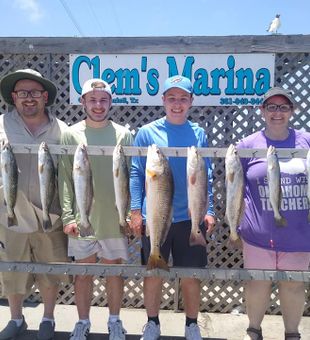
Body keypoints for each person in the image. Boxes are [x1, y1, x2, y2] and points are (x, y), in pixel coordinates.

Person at [129, 75, 215, 340]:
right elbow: (135, 173)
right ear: (163, 100)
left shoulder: (199, 133)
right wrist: (134, 211)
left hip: (190, 217)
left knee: (191, 276)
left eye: (183, 99)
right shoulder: (146, 132)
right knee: (153, 272)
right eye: (172, 98)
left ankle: (191, 324)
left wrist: (209, 210)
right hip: (154, 216)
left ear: (191, 102)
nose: (177, 104)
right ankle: (152, 323)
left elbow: (206, 176)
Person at [58, 78, 133, 340]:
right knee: (83, 273)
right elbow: (65, 179)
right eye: (92, 100)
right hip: (83, 219)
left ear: (110, 102)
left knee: (115, 272)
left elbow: (131, 178)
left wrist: (130, 213)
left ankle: (114, 320)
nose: (98, 105)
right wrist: (68, 216)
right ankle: (82, 321)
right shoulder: (70, 134)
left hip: (114, 219)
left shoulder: (124, 134)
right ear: (83, 102)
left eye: (103, 100)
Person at [0, 68, 70, 340]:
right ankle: (16, 320)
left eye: (35, 93)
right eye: (22, 93)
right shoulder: (1, 125)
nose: (29, 98)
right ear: (14, 97)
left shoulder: (62, 130)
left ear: (45, 97)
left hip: (49, 216)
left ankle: (48, 318)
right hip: (9, 215)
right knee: (12, 271)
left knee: (49, 271)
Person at [237, 87, 310, 340]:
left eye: (283, 107)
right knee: (257, 284)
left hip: (299, 233)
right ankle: (254, 331)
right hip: (258, 234)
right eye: (271, 107)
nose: (277, 113)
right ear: (262, 111)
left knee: (293, 286)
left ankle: (292, 334)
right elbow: (236, 188)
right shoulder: (246, 145)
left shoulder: (307, 140)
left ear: (292, 111)